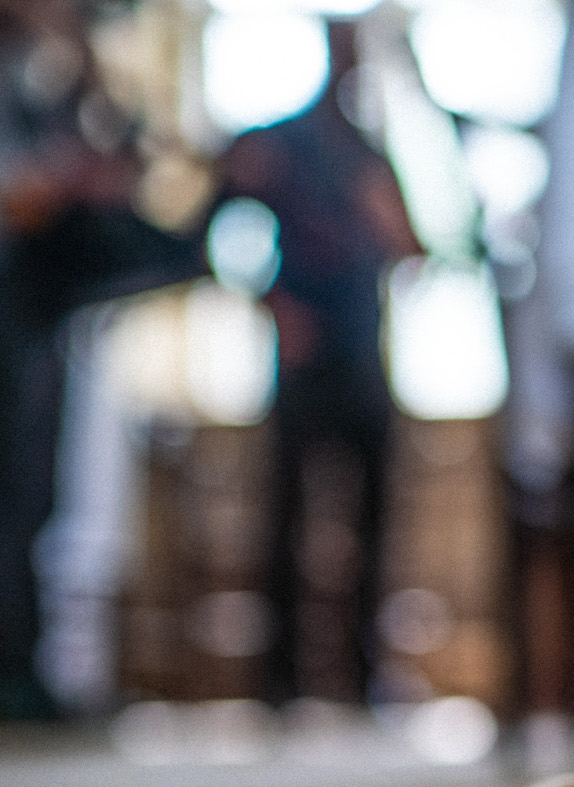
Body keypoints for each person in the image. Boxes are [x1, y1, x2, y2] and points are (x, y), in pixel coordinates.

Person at [0, 0, 199, 719]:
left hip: (31, 316)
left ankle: (24, 666)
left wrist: (83, 61)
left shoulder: (40, 79)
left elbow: (111, 144)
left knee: (30, 499)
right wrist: (51, 184)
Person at [217, 19, 418, 706]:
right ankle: (278, 681)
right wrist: (274, 303)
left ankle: (362, 680)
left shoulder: (371, 150)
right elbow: (223, 232)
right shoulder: (279, 143)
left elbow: (412, 247)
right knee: (287, 519)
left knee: (373, 522)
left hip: (365, 359)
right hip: (306, 364)